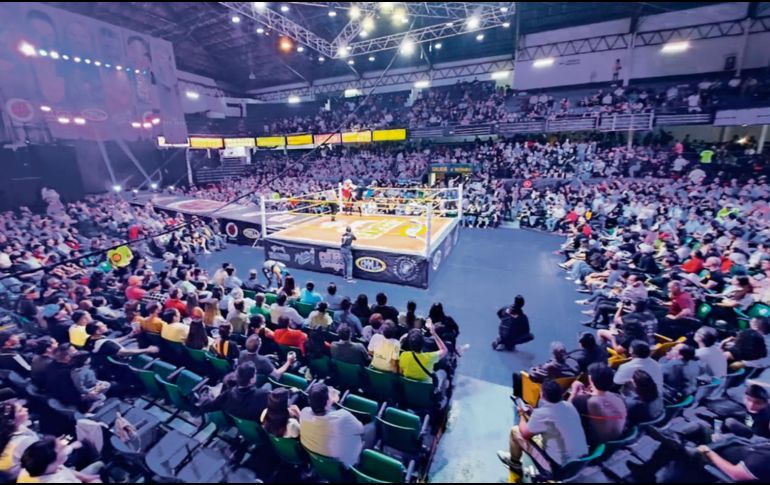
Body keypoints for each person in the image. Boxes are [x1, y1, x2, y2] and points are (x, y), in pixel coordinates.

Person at [497, 380, 589, 477]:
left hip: (558, 469)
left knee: (515, 431)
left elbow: (524, 433)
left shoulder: (542, 414)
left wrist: (522, 414)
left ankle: (515, 464)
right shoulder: (569, 406)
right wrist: (533, 413)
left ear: (542, 395)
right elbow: (553, 420)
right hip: (580, 463)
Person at [300, 383, 366, 468]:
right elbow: (361, 430)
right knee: (371, 428)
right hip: (345, 465)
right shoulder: (343, 417)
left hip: (320, 463)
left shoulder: (304, 413)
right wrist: (332, 401)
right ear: (328, 401)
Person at [568, 363, 627, 446]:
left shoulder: (581, 401)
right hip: (617, 440)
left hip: (596, 443)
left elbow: (567, 411)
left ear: (590, 379)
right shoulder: (619, 397)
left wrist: (574, 391)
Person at [199, 362, 270, 421]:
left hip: (237, 422)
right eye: (255, 374)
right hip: (256, 424)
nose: (256, 376)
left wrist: (205, 392)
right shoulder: (263, 395)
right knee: (268, 385)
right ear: (251, 380)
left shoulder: (227, 395)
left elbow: (206, 406)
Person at [17, 436, 102, 483]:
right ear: (51, 463)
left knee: (99, 464)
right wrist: (95, 480)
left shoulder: (44, 466)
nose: (64, 446)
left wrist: (86, 477)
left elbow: (64, 470)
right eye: (60, 449)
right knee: (100, 466)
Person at [0, 400, 38, 480]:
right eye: (20, 410)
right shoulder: (25, 441)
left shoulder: (9, 430)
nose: (26, 409)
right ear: (11, 421)